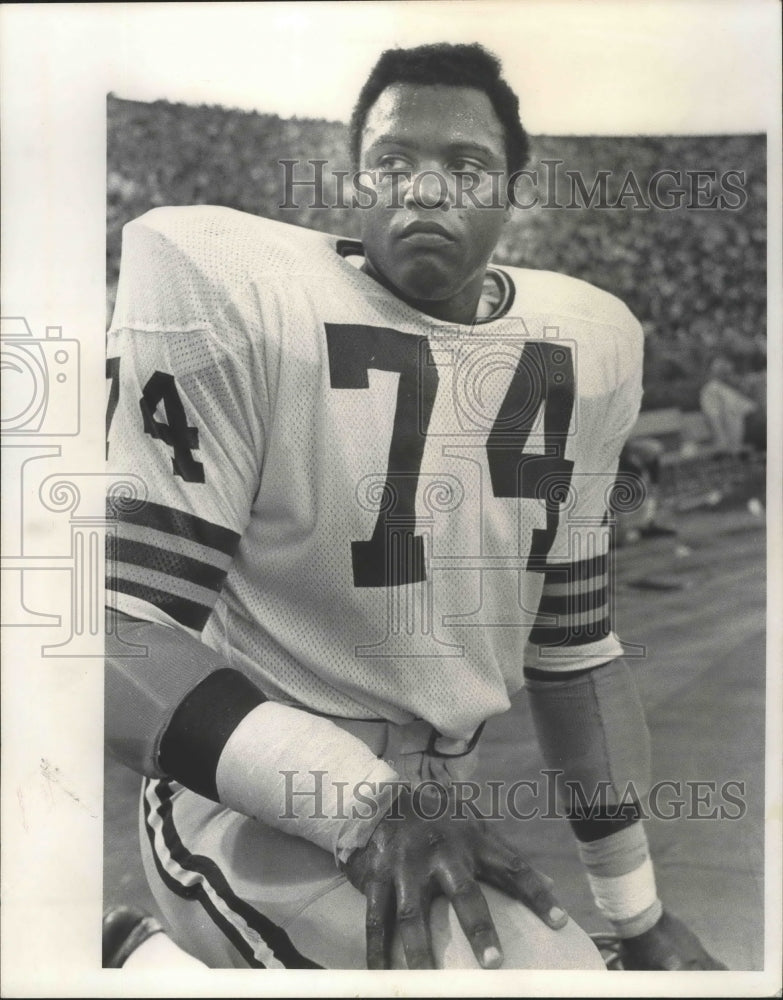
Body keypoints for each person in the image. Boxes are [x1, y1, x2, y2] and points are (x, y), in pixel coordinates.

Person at [105, 42, 725, 971]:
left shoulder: (585, 342)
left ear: (513, 193)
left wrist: (637, 916)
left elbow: (573, 650)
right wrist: (362, 803)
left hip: (433, 806)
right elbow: (115, 637)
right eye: (392, 162)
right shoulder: (232, 289)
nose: (425, 189)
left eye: (465, 166)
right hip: (240, 794)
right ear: (355, 182)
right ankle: (140, 960)